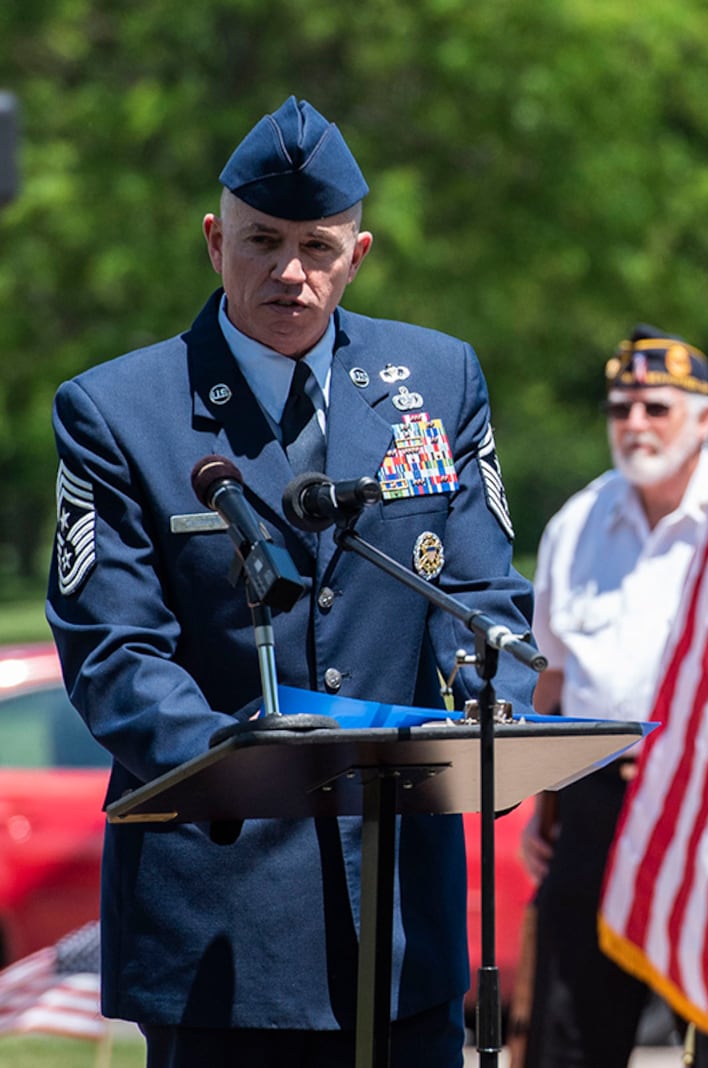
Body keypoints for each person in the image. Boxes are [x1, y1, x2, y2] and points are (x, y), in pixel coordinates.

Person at [45, 96, 536, 1067]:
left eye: (317, 247)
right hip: (222, 919)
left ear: (357, 256)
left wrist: (497, 711)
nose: (290, 273)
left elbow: (480, 594)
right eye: (262, 242)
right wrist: (241, 763)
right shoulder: (118, 411)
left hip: (404, 925)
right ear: (213, 240)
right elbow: (115, 653)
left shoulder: (435, 383)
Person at [519, 326, 708, 1068]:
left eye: (655, 408)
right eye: (621, 408)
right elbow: (553, 681)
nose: (634, 425)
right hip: (597, 802)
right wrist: (547, 805)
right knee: (566, 1038)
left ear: (705, 418)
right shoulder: (578, 522)